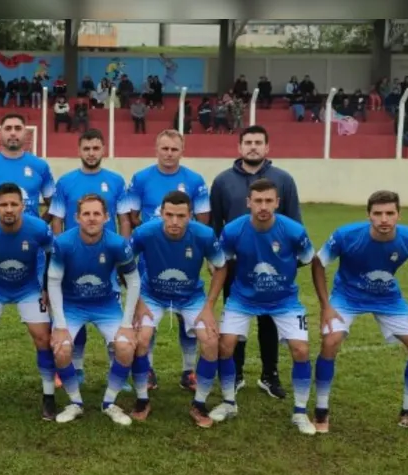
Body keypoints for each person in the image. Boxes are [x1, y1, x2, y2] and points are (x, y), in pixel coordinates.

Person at [310, 190, 408, 434]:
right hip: (347, 297)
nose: (384, 219)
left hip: (388, 299)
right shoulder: (346, 235)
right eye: (378, 214)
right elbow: (319, 262)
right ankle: (321, 409)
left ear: (399, 215)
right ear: (368, 215)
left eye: (390, 213)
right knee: (330, 340)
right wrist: (326, 306)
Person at [210, 179, 317, 436]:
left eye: (269, 200)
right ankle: (228, 402)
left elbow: (307, 259)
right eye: (258, 201)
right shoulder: (233, 230)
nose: (263, 206)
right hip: (242, 298)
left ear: (277, 203)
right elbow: (221, 263)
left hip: (284, 300)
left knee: (301, 349)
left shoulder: (294, 231)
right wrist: (211, 303)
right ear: (248, 203)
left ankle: (300, 412)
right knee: (225, 344)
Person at [209, 125, 302, 399]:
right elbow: (216, 222)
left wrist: (289, 261)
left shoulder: (283, 179)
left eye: (258, 142)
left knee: (270, 320)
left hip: (274, 265)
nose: (253, 147)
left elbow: (294, 221)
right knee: (234, 320)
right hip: (236, 265)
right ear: (239, 147)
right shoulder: (223, 180)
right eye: (248, 142)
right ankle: (235, 372)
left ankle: (269, 374)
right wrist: (215, 260)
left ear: (267, 147)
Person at [130, 191, 228, 428]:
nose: (175, 221)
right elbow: (125, 265)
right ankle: (142, 399)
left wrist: (209, 306)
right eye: (170, 215)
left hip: (192, 297)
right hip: (152, 294)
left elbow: (221, 267)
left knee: (211, 341)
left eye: (181, 216)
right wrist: (138, 302)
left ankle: (200, 404)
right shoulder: (144, 233)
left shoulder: (204, 234)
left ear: (190, 216)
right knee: (141, 339)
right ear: (161, 213)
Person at [0, 113, 55, 389]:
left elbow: (52, 204)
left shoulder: (40, 166)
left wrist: (42, 230)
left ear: (25, 133)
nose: (13, 133)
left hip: (32, 248)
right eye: (7, 128)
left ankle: (51, 367)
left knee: (45, 306)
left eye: (18, 128)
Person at [126, 129, 211, 392]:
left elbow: (203, 218)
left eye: (174, 149)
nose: (169, 154)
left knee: (189, 322)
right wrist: (154, 236)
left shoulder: (195, 180)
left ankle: (189, 371)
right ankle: (148, 370)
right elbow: (132, 215)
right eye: (164, 148)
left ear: (182, 151)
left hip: (184, 259)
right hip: (151, 257)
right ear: (156, 149)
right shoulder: (141, 178)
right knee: (147, 318)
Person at [47, 194, 143, 426]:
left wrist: (127, 324)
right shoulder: (63, 243)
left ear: (107, 217)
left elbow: (134, 281)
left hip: (106, 305)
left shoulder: (117, 244)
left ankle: (109, 402)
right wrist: (59, 326)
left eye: (97, 214)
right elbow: (53, 281)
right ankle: (75, 403)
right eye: (86, 214)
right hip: (72, 304)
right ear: (77, 218)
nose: (92, 219)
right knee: (61, 349)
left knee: (126, 347)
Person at [48, 128, 130, 388]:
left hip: (107, 259)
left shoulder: (116, 181)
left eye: (96, 148)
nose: (91, 153)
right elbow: (57, 220)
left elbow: (124, 219)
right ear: (79, 151)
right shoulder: (65, 182)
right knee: (75, 312)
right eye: (87, 148)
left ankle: (115, 369)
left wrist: (122, 256)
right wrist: (61, 252)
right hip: (73, 258)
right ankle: (78, 368)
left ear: (103, 150)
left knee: (111, 314)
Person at [0, 183, 54, 420]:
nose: (9, 209)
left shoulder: (39, 228)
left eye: (14, 204)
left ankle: (49, 397)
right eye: (3, 204)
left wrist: (46, 287)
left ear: (23, 207)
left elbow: (51, 253)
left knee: (43, 336)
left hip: (28, 288)